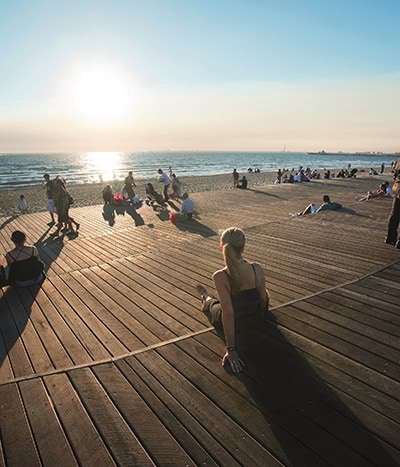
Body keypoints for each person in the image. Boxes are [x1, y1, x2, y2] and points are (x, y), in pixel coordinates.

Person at [195, 227, 269, 373]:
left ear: (221, 247)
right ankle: (207, 297)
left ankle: (206, 297)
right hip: (252, 317)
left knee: (214, 305)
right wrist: (261, 317)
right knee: (223, 302)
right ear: (243, 246)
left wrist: (231, 349)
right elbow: (263, 298)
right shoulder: (256, 268)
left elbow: (228, 314)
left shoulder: (220, 276)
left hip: (234, 321)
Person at [385, 158, 400, 248]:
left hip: (397, 188)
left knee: (394, 214)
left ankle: (390, 237)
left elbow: (395, 174)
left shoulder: (398, 161)